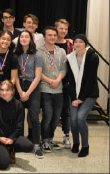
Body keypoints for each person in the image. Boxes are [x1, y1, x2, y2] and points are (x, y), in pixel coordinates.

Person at [67, 34, 99, 157]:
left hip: (89, 94)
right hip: (75, 94)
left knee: (80, 118)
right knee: (73, 120)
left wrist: (81, 99)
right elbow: (71, 80)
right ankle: (76, 143)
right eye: (75, 42)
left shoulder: (93, 57)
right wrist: (74, 98)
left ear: (85, 43)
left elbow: (90, 80)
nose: (78, 44)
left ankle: (85, 146)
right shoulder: (70, 58)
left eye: (81, 41)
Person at [14, 30, 43, 158]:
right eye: (22, 37)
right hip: (19, 85)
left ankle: (36, 144)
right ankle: (20, 144)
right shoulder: (15, 54)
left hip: (33, 86)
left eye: (27, 37)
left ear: (31, 40)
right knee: (18, 117)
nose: (24, 38)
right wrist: (20, 92)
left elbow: (38, 77)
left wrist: (27, 93)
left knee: (34, 116)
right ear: (19, 39)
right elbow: (14, 76)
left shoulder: (37, 55)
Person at [38, 26, 67, 153]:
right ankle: (44, 140)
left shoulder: (61, 51)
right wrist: (50, 81)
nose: (52, 37)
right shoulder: (38, 51)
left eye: (54, 35)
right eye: (49, 35)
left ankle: (50, 138)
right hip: (45, 88)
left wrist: (57, 80)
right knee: (48, 115)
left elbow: (64, 69)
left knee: (56, 117)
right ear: (44, 37)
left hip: (58, 89)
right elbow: (37, 71)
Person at [0, 80, 34, 169]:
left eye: (7, 90)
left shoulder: (18, 104)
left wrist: (12, 139)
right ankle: (2, 149)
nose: (4, 93)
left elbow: (19, 125)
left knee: (29, 146)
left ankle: (11, 149)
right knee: (3, 165)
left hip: (12, 137)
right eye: (2, 90)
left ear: (13, 91)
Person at [54, 19, 73, 149]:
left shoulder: (70, 45)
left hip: (65, 82)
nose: (63, 31)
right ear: (55, 29)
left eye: (65, 29)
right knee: (50, 112)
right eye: (61, 28)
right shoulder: (49, 43)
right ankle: (47, 136)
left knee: (65, 110)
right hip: (50, 82)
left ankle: (66, 135)